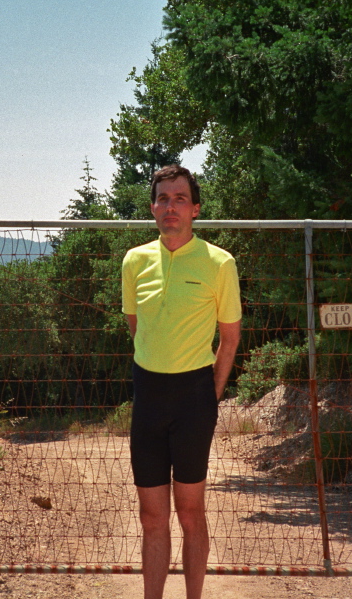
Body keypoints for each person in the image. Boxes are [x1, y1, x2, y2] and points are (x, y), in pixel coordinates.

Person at [121, 164, 241, 599]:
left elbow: (229, 338)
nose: (171, 207)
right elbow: (137, 328)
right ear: (153, 208)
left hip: (195, 400)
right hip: (148, 398)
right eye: (163, 199)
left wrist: (209, 394)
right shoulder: (134, 261)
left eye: (180, 199)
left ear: (195, 209)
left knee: (191, 513)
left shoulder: (219, 262)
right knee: (151, 518)